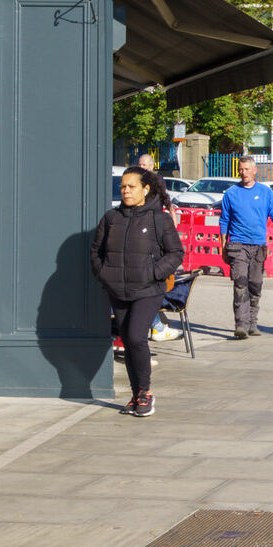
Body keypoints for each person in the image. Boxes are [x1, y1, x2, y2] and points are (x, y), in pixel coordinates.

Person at [91, 166, 183, 417]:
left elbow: (176, 253)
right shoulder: (111, 218)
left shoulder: (159, 219)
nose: (126, 191)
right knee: (128, 345)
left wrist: (154, 273)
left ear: (146, 189)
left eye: (131, 186)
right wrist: (105, 274)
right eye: (123, 186)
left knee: (135, 338)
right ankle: (136, 395)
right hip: (117, 290)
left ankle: (145, 392)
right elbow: (96, 252)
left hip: (147, 290)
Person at [219, 155, 273, 339]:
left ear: (255, 170)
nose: (243, 172)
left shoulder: (266, 192)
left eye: (247, 169)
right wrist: (223, 244)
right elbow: (224, 220)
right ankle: (241, 325)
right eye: (241, 169)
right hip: (237, 245)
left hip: (258, 245)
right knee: (240, 284)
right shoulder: (231, 193)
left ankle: (252, 323)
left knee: (255, 285)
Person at [136, 153, 182, 342]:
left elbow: (167, 203)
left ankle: (157, 326)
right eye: (139, 164)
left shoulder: (156, 184)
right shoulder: (136, 184)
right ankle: (157, 326)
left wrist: (172, 221)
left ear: (152, 166)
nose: (142, 167)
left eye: (145, 165)